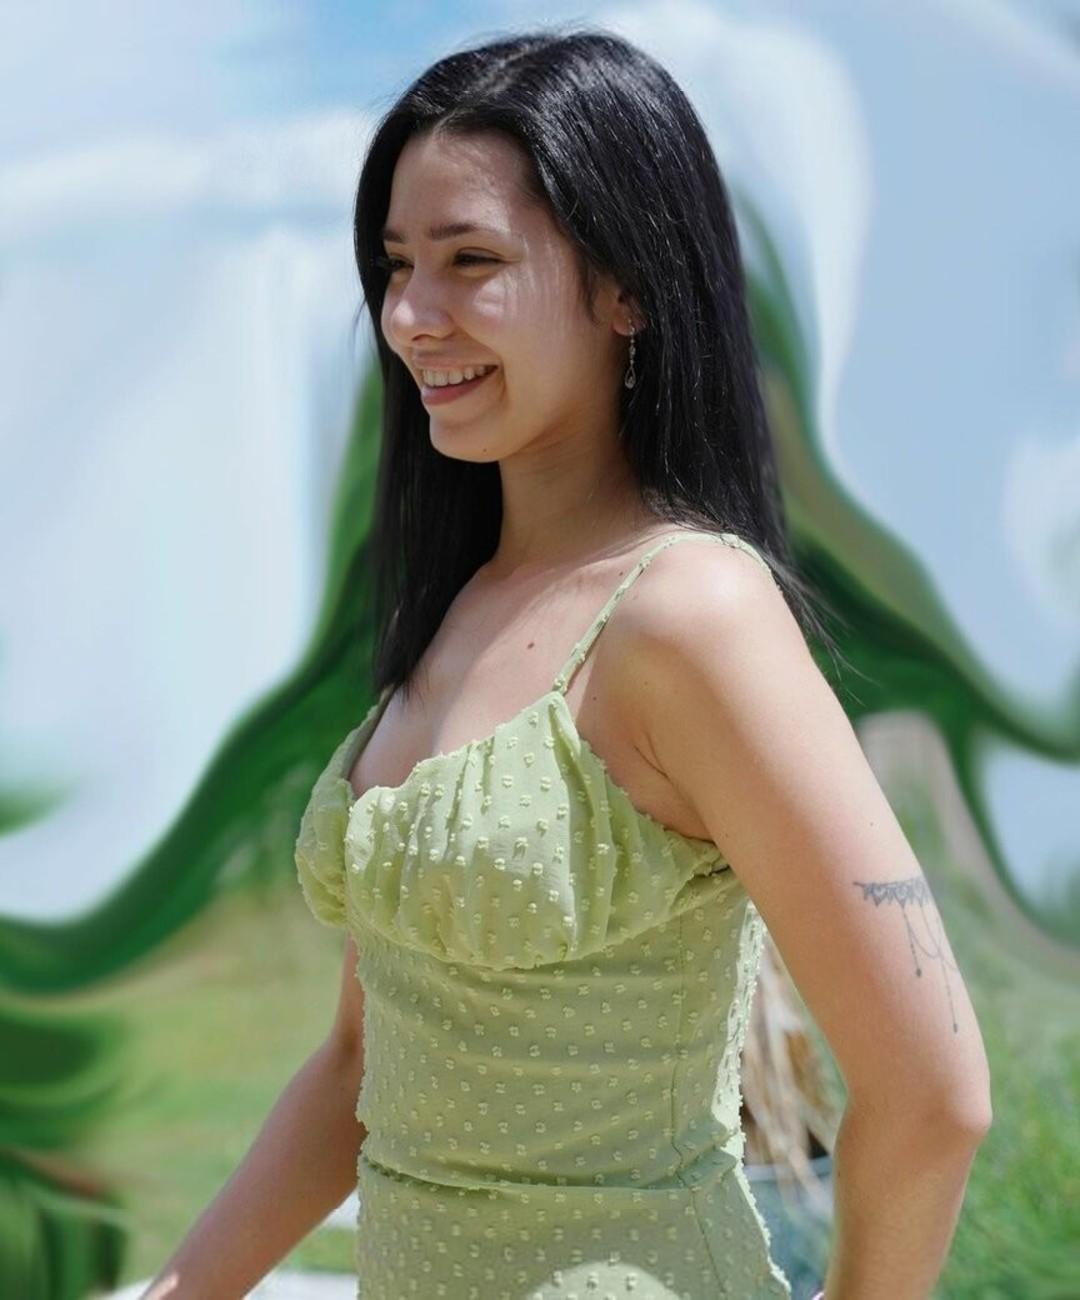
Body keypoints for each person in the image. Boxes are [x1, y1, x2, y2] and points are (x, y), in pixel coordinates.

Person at [143, 24, 992, 1300]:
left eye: (471, 261)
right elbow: (360, 1066)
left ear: (626, 287)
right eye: (396, 265)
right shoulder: (457, 606)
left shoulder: (691, 613)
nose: (409, 316)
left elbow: (934, 1095)